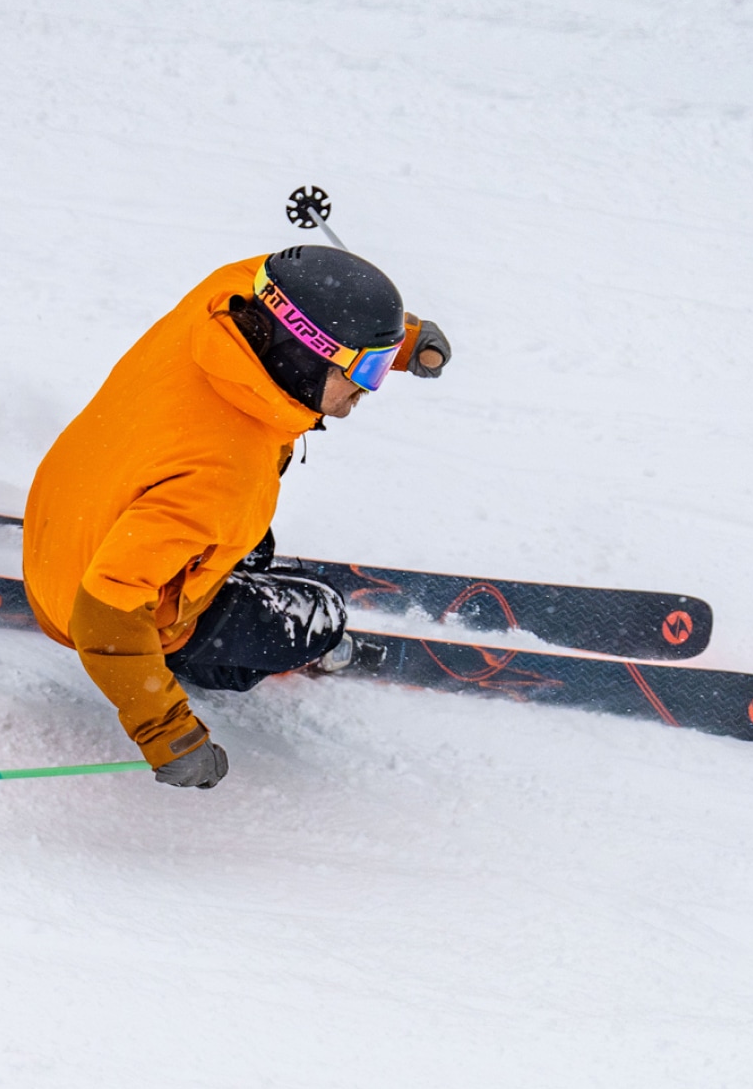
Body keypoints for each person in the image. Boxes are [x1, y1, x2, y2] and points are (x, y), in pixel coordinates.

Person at [22, 244, 451, 790]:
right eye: (365, 368)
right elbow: (103, 613)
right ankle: (223, 651)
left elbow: (297, 287)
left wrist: (400, 339)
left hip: (73, 505)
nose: (369, 389)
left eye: (380, 364)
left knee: (245, 537)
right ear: (305, 353)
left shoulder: (228, 295)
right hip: (81, 605)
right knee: (316, 616)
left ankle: (230, 577)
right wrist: (168, 733)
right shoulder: (224, 473)